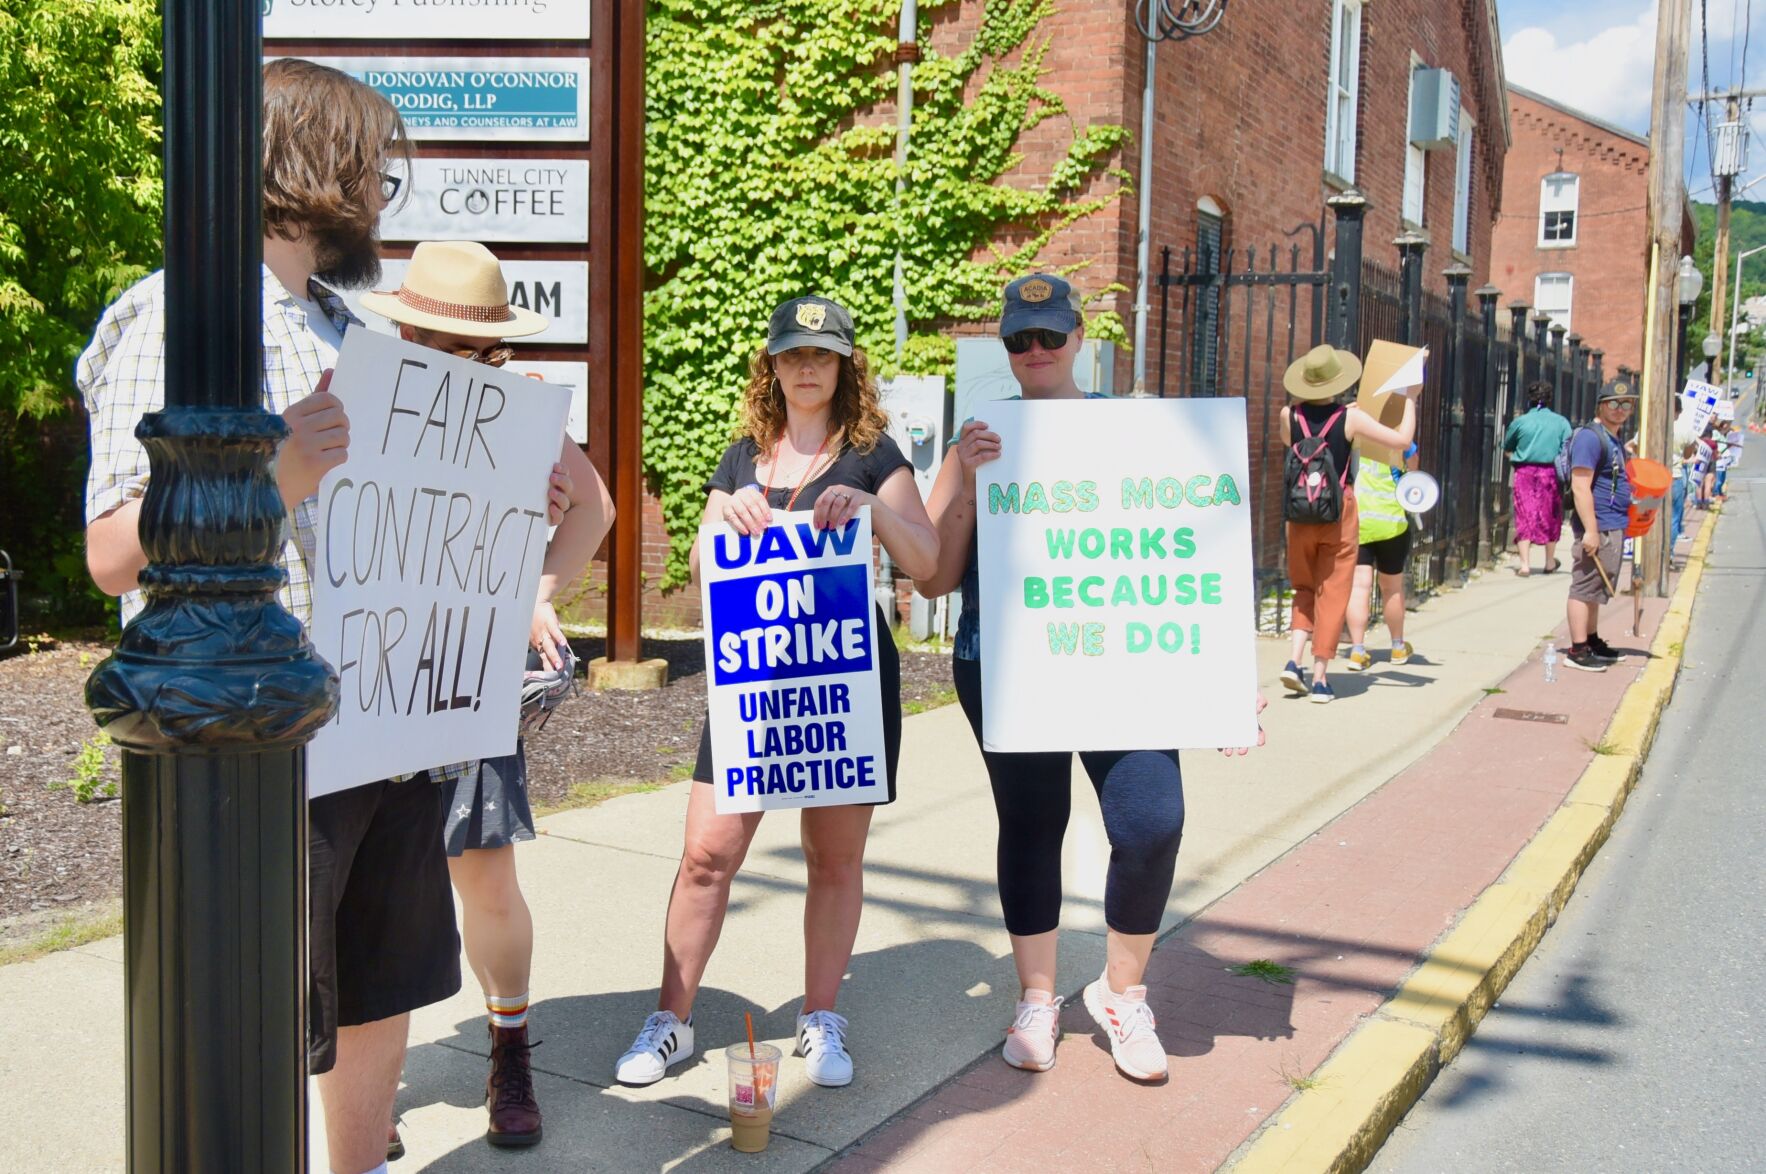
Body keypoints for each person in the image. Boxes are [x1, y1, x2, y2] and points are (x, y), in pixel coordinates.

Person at [80, 60, 505, 1174]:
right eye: (367, 167)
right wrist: (275, 476)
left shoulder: (348, 327)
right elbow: (111, 554)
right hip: (263, 747)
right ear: (309, 166)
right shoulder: (179, 315)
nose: (378, 193)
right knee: (265, 1006)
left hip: (384, 725)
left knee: (378, 984)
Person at [915, 274, 1267, 1084]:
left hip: (1125, 660)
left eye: (1048, 335)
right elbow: (933, 578)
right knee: (1034, 824)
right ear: (1005, 348)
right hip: (1009, 664)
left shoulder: (1137, 428)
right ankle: (1037, 997)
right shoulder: (981, 434)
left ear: (1079, 338)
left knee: (1150, 822)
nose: (1034, 352)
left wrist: (1224, 679)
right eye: (1018, 340)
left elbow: (1197, 550)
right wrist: (963, 480)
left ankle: (1119, 992)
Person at [614, 296, 938, 1090]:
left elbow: (926, 558)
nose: (806, 368)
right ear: (772, 364)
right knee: (706, 855)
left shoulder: (874, 455)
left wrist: (871, 510)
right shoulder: (740, 458)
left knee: (833, 859)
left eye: (821, 356)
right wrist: (716, 517)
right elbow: (699, 573)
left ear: (844, 366)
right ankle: (672, 1021)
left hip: (843, 682)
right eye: (793, 354)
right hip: (753, 679)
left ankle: (821, 1018)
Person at [360, 240, 615, 1149]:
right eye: (434, 340)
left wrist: (536, 591)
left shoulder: (519, 415)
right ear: (404, 327)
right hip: (371, 666)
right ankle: (369, 1088)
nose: (454, 361)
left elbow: (597, 511)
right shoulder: (358, 390)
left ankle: (510, 1049)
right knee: (363, 884)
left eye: (472, 349)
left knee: (483, 874)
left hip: (466, 670)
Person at [1276, 346, 1417, 703]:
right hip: (1338, 513)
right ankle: (1321, 678)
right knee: (1334, 591)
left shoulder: (1288, 415)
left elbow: (1289, 444)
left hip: (1299, 515)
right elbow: (1402, 442)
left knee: (1303, 588)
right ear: (1338, 381)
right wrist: (1409, 399)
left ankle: (1294, 662)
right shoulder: (1350, 418)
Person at [1562, 379, 1636, 673]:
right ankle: (1577, 649)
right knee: (1584, 586)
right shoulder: (1591, 438)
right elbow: (1581, 487)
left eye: (1626, 404)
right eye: (1614, 403)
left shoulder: (1613, 438)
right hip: (1598, 524)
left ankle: (1591, 640)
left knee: (1597, 587)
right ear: (1601, 405)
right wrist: (1591, 530)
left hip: (1612, 522)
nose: (1620, 409)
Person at [1344, 446, 1418, 671]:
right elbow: (1414, 471)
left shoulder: (1356, 434)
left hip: (1360, 520)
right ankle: (1397, 646)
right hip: (1392, 522)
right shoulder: (1399, 439)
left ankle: (1357, 650)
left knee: (1359, 587)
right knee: (1392, 588)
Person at [1502, 381, 1572, 576]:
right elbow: (1568, 446)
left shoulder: (1520, 422)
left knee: (1523, 514)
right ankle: (1549, 561)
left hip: (1524, 472)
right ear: (1549, 399)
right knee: (1551, 515)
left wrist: (1518, 455)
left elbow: (1507, 446)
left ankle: (1525, 564)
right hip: (1550, 473)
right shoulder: (1561, 422)